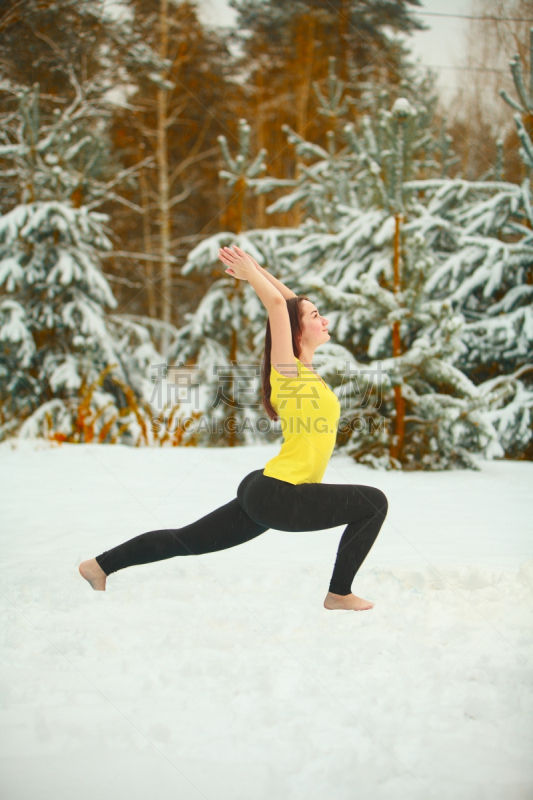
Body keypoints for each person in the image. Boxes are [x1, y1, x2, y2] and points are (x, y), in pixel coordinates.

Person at [79, 245, 388, 610]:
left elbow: (289, 302)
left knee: (185, 541)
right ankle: (339, 594)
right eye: (317, 316)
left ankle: (98, 566)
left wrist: (256, 268)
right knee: (374, 503)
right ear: (297, 330)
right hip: (280, 494)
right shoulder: (286, 371)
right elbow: (279, 307)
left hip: (267, 488)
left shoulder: (302, 369)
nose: (325, 321)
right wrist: (252, 277)